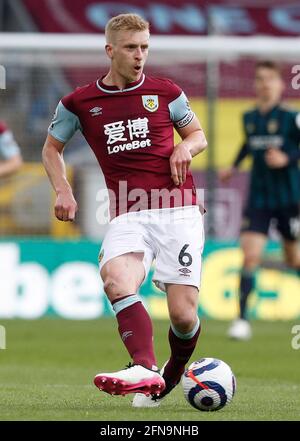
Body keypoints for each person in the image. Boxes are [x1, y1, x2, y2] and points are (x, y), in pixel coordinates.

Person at [42, 13, 207, 406]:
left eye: (145, 47)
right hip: (128, 212)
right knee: (116, 279)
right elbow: (51, 148)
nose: (140, 56)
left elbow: (198, 135)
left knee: (183, 317)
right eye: (131, 48)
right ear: (110, 50)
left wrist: (185, 146)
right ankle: (143, 367)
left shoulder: (167, 92)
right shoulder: (78, 102)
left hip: (178, 209)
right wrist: (63, 189)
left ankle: (168, 376)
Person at [219, 60, 300, 340]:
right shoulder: (249, 117)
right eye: (260, 79)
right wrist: (235, 165)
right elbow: (248, 143)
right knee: (250, 255)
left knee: (294, 259)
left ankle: (282, 263)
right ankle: (241, 320)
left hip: (290, 199)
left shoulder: (292, 118)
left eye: (270, 79)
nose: (264, 84)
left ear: (280, 84)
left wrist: (287, 158)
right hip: (259, 199)